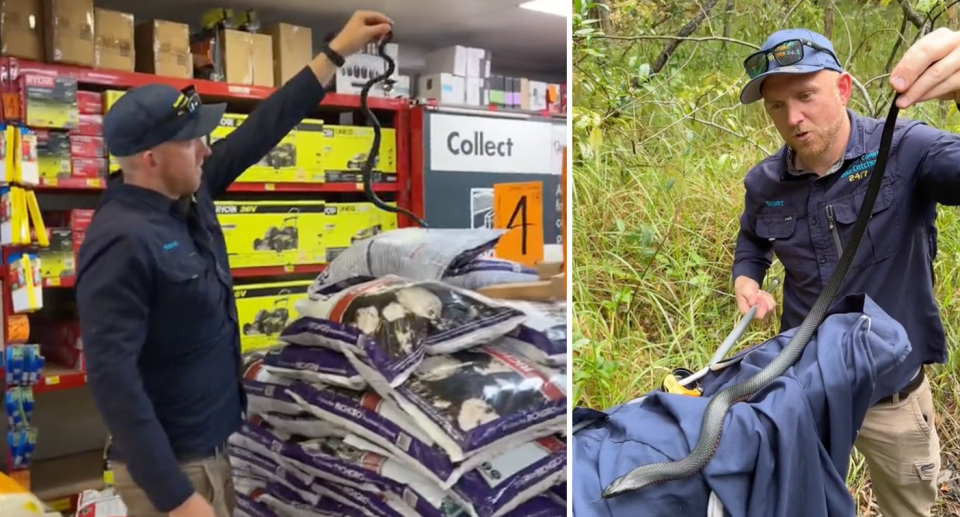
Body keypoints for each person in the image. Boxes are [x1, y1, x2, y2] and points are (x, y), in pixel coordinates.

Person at [74, 10, 393, 517]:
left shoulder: (190, 194)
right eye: (191, 139)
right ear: (151, 157)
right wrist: (176, 498)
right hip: (177, 471)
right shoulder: (121, 242)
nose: (205, 148)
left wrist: (336, 52)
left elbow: (261, 129)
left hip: (213, 447)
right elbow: (114, 382)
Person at [732, 27, 960, 517]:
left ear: (842, 88)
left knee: (909, 509)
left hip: (891, 396)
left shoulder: (909, 148)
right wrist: (746, 279)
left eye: (805, 95)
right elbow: (752, 240)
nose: (792, 118)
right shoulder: (764, 181)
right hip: (802, 391)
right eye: (776, 106)